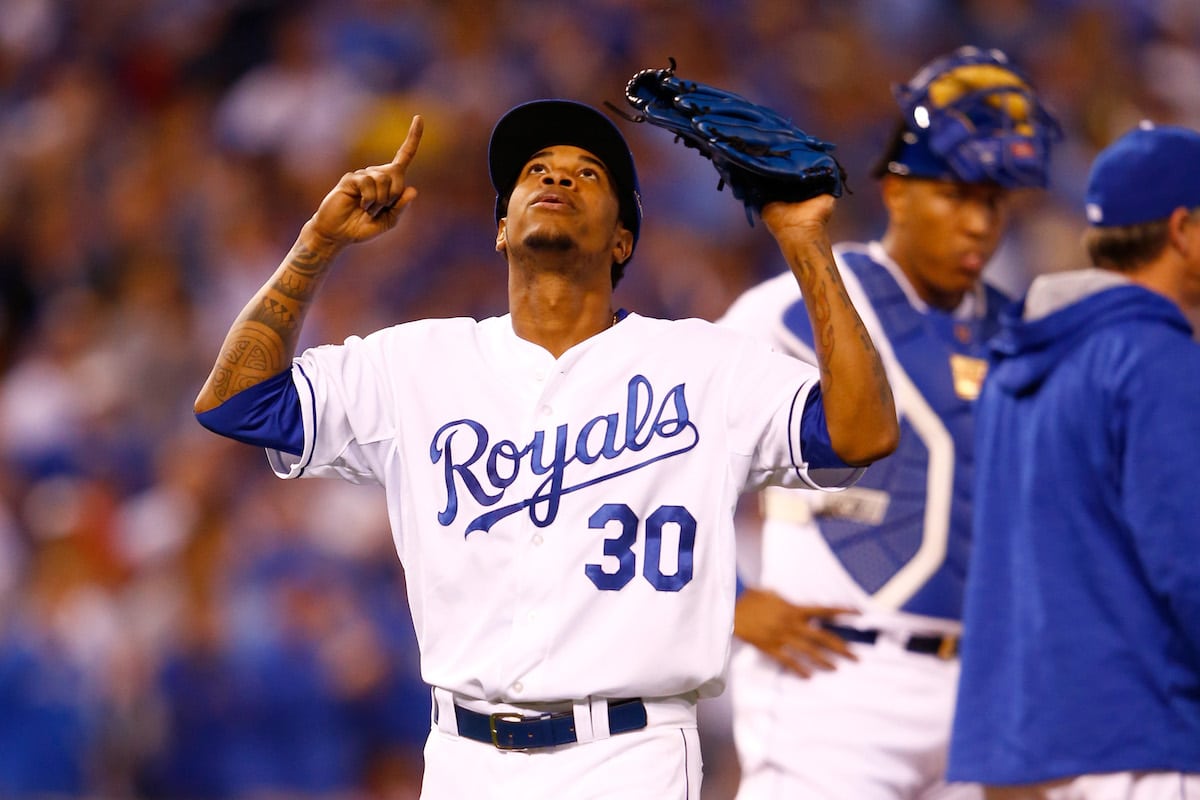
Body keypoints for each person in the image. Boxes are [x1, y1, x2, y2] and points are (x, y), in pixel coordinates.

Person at [192, 98, 898, 798]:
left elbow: (859, 434)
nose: (557, 179)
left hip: (630, 755)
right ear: (501, 229)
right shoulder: (416, 363)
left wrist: (806, 242)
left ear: (622, 240)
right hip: (463, 758)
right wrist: (319, 241)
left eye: (588, 174)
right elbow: (237, 403)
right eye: (536, 170)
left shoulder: (703, 363)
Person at [719, 46, 1061, 799]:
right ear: (898, 190)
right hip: (834, 685)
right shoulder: (798, 305)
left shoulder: (1020, 335)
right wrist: (725, 602)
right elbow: (653, 457)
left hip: (975, 695)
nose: (979, 222)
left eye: (996, 201)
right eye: (958, 193)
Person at [946, 122, 1200, 799]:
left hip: (1021, 747)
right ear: (1183, 230)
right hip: (1142, 733)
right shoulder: (1155, 356)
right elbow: (1188, 561)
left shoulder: (1009, 367)